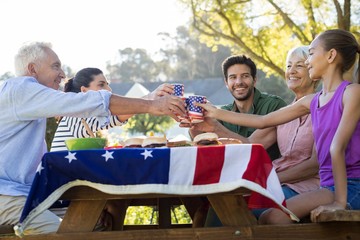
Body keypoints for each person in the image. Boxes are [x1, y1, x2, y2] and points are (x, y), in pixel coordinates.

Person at [0, 42, 186, 235]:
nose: (63, 74)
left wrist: (150, 101)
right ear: (32, 69)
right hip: (8, 197)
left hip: (25, 196)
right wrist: (151, 105)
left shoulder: (23, 99)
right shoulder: (21, 89)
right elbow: (91, 105)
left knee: (98, 223)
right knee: (77, 235)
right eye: (55, 66)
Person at [197, 29, 360, 224]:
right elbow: (263, 121)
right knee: (268, 216)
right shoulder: (311, 101)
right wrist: (213, 112)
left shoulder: (352, 92)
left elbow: (337, 147)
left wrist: (340, 203)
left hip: (351, 186)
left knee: (274, 217)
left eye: (311, 53)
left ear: (331, 55)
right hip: (327, 187)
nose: (308, 61)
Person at [205, 46, 320, 226]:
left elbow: (314, 166)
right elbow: (250, 143)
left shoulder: (322, 107)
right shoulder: (285, 113)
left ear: (313, 69)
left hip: (305, 187)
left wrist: (266, 181)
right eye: (289, 66)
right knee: (222, 201)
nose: (292, 71)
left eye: (299, 65)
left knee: (232, 205)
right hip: (277, 184)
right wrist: (212, 126)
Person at [186, 55, 287, 160]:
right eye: (233, 77)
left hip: (266, 173)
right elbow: (205, 148)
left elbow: (252, 148)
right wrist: (192, 123)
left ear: (255, 80)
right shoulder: (223, 112)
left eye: (245, 76)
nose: (239, 82)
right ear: (226, 82)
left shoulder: (274, 106)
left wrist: (216, 128)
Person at [50, 67, 174, 152]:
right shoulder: (73, 115)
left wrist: (151, 98)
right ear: (84, 91)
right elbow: (114, 118)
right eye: (101, 84)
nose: (109, 90)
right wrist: (150, 98)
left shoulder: (85, 116)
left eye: (107, 84)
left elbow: (115, 117)